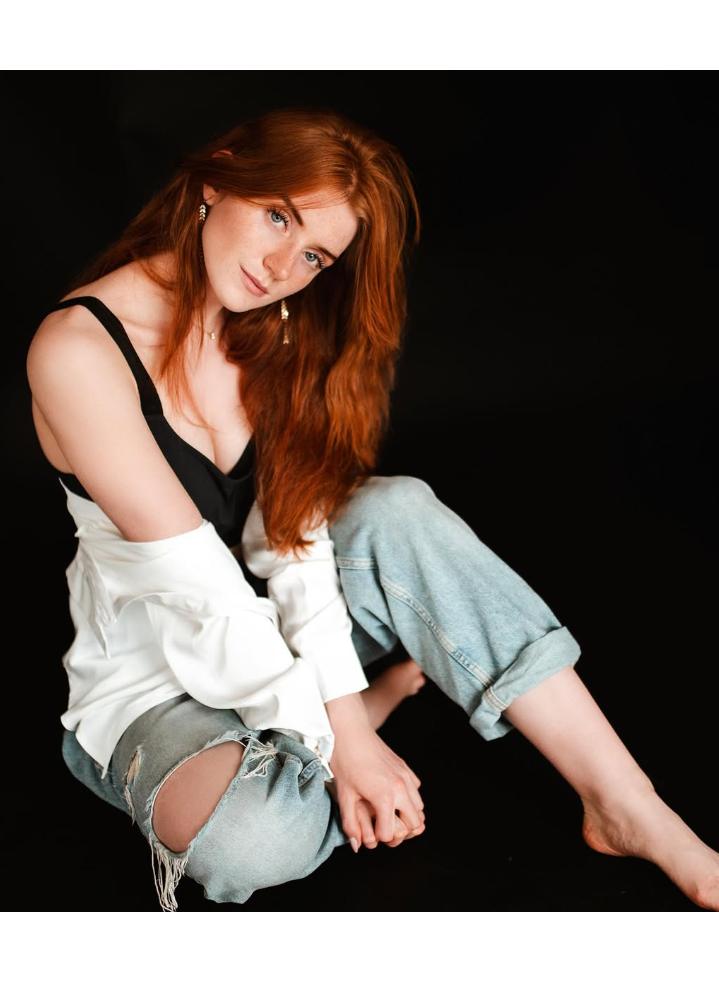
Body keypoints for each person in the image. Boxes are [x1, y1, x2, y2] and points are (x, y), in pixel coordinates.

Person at [26, 106, 719, 912]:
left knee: (398, 512)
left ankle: (629, 807)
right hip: (160, 685)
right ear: (217, 181)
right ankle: (343, 713)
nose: (281, 266)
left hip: (284, 632)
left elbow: (292, 542)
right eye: (278, 216)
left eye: (313, 255)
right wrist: (346, 732)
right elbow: (198, 585)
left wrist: (338, 731)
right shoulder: (79, 349)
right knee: (251, 844)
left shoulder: (271, 333)